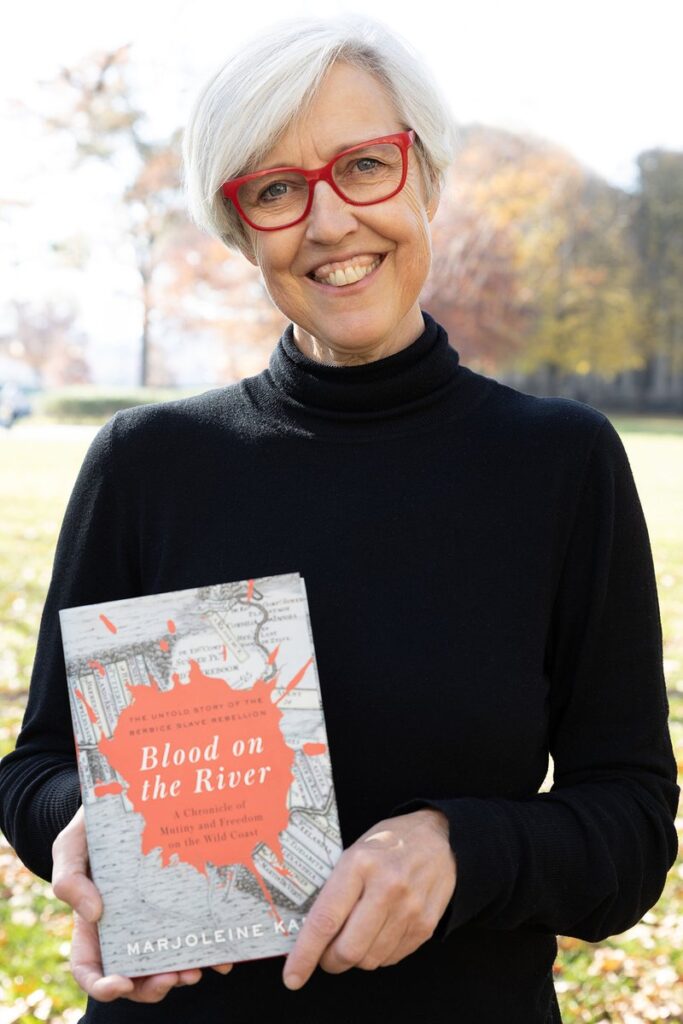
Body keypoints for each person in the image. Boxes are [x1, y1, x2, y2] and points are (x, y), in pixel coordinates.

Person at [0, 13, 679, 1024]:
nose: (326, 222)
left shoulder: (557, 463)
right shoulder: (147, 463)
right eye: (274, 189)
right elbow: (37, 769)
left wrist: (461, 847)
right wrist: (87, 827)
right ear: (238, 230)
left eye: (363, 164)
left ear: (424, 177)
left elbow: (626, 829)